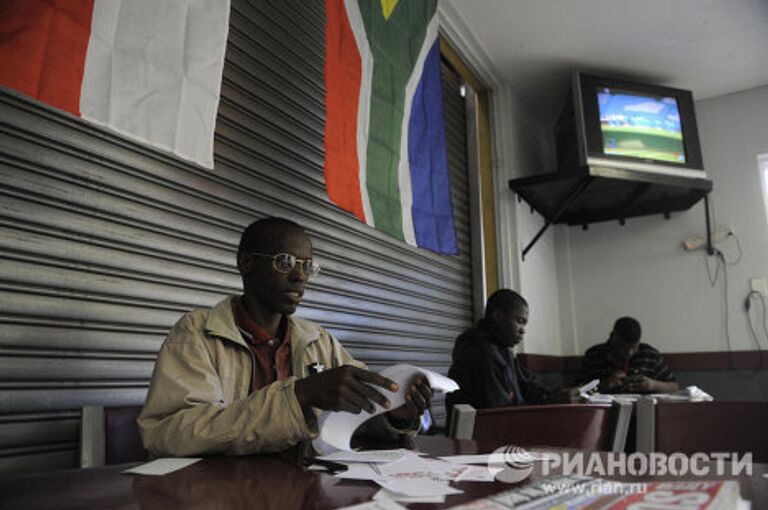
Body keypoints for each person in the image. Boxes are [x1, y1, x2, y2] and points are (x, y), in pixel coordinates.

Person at [138, 217, 432, 457]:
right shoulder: (197, 333)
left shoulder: (319, 341)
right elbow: (169, 434)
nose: (300, 276)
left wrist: (397, 415)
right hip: (221, 494)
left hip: (300, 489)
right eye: (285, 261)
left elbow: (358, 419)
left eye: (306, 265)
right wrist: (299, 396)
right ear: (246, 263)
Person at [445, 289, 579, 420]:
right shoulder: (482, 352)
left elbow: (528, 386)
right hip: (478, 438)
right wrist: (550, 401)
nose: (523, 331)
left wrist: (559, 394)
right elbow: (502, 416)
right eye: (520, 321)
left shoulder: (503, 351)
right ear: (497, 316)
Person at [578, 316, 679, 394]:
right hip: (604, 415)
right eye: (623, 348)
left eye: (634, 347)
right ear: (612, 337)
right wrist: (603, 384)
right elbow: (578, 390)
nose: (629, 353)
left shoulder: (649, 355)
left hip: (642, 413)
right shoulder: (593, 355)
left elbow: (674, 387)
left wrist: (652, 385)